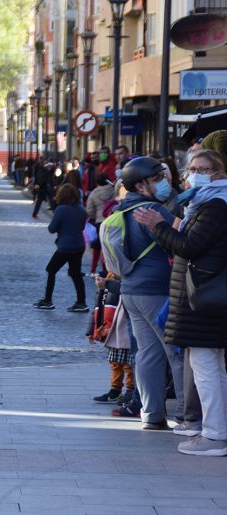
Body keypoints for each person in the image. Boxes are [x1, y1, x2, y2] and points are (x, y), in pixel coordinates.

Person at [135, 149, 227, 455]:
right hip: (204, 294)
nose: (195, 172)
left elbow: (190, 246)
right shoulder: (202, 203)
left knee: (206, 367)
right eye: (192, 167)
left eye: (203, 168)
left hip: (205, 296)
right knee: (212, 366)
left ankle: (214, 434)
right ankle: (216, 429)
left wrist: (157, 226)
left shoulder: (215, 205)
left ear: (218, 173)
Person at [106, 156, 183, 428]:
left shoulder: (122, 210)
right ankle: (186, 412)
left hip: (130, 290)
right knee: (175, 351)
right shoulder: (153, 210)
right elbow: (182, 241)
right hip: (156, 290)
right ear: (141, 185)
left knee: (147, 353)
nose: (163, 184)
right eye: (157, 179)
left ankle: (152, 414)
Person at [33, 183, 88, 312]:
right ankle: (82, 302)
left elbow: (52, 229)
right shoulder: (81, 208)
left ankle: (48, 300)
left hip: (65, 246)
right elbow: (82, 226)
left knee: (51, 269)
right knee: (76, 274)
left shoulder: (61, 209)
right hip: (79, 245)